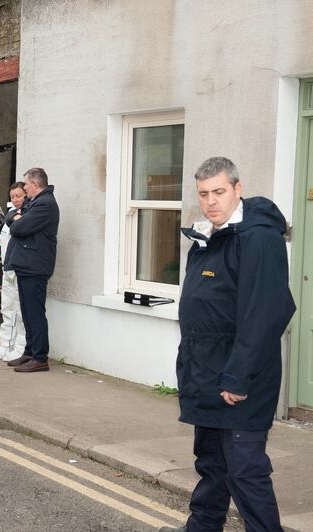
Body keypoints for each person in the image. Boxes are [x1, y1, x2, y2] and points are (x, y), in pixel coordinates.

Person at [159, 157, 295, 532]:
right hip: (205, 376)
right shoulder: (209, 237)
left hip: (239, 382)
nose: (210, 201)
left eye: (219, 192)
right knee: (212, 468)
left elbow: (265, 313)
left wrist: (236, 377)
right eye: (203, 194)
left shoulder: (258, 239)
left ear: (237, 189)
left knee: (245, 473)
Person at [4, 167, 59, 373]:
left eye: (26, 184)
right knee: (27, 312)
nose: (24, 188)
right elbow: (10, 216)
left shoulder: (45, 204)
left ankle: (40, 357)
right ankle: (29, 351)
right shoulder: (34, 202)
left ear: (35, 184)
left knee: (35, 313)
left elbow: (19, 228)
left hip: (35, 266)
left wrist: (18, 221)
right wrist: (16, 218)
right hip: (27, 265)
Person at [0, 182, 28, 361]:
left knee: (20, 310)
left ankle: (19, 347)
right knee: (7, 308)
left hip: (20, 269)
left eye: (19, 196)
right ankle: (5, 344)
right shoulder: (9, 219)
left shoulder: (27, 216)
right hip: (8, 269)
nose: (16, 199)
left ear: (26, 196)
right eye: (13, 197)